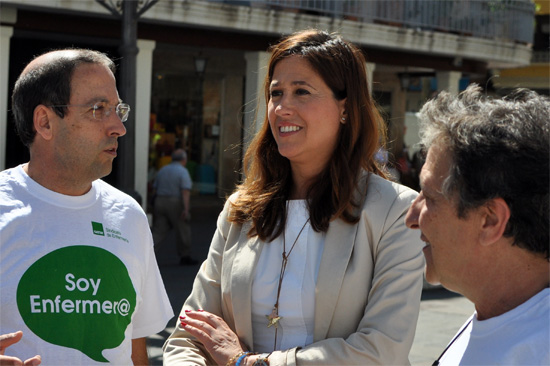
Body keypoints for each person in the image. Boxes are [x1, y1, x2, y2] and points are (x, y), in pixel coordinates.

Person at [163, 29, 424, 366]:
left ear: (345, 107)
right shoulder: (240, 211)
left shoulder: (396, 210)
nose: (282, 108)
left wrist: (249, 363)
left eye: (302, 91)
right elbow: (188, 335)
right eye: (276, 93)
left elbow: (382, 350)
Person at [0, 49, 173, 365]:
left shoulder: (129, 215)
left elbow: (135, 349)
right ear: (45, 122)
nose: (117, 127)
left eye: (118, 109)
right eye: (98, 109)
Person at [405, 85, 549, 365]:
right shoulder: (500, 317)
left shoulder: (538, 349)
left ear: (490, 220)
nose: (412, 217)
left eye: (430, 198)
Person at [152, 148, 197, 265]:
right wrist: (186, 209)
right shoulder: (183, 171)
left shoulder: (163, 170)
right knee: (183, 228)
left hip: (160, 201)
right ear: (184, 160)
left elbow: (155, 188)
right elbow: (185, 191)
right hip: (174, 202)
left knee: (159, 230)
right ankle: (185, 255)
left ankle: (148, 252)